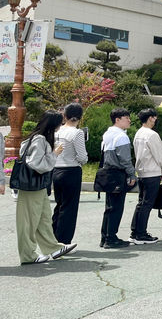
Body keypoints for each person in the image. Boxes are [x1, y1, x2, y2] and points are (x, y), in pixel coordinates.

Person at [13, 111, 76, 264]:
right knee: (28, 222)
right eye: (59, 123)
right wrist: (54, 154)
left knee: (43, 218)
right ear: (52, 124)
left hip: (35, 185)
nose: (60, 126)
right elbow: (36, 164)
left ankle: (53, 248)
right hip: (32, 186)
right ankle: (28, 255)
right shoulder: (40, 139)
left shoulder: (35, 138)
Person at [100, 108, 137, 248]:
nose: (129, 120)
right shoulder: (122, 136)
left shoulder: (107, 134)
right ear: (117, 120)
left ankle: (105, 237)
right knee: (116, 207)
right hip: (118, 173)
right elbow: (125, 159)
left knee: (109, 206)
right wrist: (132, 174)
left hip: (108, 173)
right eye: (126, 118)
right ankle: (111, 238)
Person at [52, 103, 88, 245]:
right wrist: (83, 160)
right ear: (80, 116)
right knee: (69, 207)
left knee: (59, 205)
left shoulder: (57, 132)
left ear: (64, 116)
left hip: (56, 169)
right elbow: (82, 156)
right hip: (71, 170)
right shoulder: (77, 133)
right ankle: (64, 240)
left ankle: (53, 237)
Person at [130, 108, 162, 245]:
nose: (156, 119)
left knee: (141, 203)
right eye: (154, 117)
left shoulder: (138, 133)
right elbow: (159, 155)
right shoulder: (152, 135)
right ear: (150, 118)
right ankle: (141, 234)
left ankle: (135, 232)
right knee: (147, 203)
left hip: (141, 172)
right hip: (152, 172)